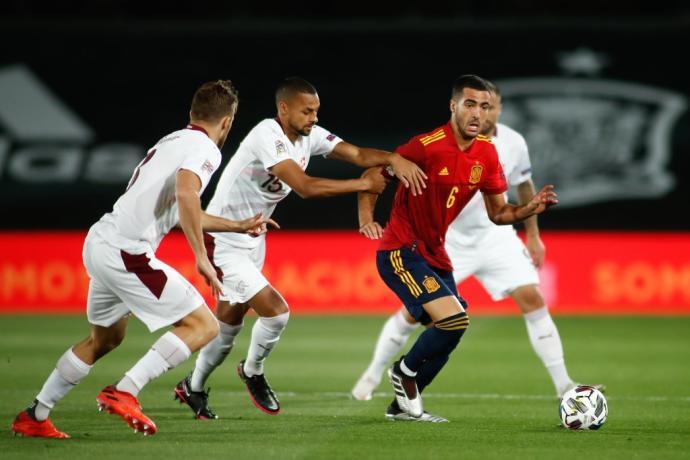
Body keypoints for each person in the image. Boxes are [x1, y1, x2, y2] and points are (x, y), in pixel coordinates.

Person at [11, 80, 274, 438]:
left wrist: (237, 225)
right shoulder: (207, 149)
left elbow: (185, 208)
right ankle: (125, 390)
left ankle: (36, 414)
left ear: (192, 113)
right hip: (127, 251)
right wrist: (201, 257)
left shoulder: (173, 140)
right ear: (227, 121)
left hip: (101, 240)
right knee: (204, 326)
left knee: (104, 340)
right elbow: (186, 194)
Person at [173, 76, 428, 420]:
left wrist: (393, 158)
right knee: (276, 312)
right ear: (283, 108)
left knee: (228, 324)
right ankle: (252, 370)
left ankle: (194, 387)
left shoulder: (310, 137)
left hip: (253, 239)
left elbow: (356, 153)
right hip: (222, 238)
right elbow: (305, 187)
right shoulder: (268, 135)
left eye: (316, 111)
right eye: (307, 111)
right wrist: (362, 184)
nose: (314, 118)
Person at [352, 81, 601, 416]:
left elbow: (499, 213)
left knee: (453, 330)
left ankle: (401, 407)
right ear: (453, 106)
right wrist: (367, 218)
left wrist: (529, 211)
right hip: (402, 249)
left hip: (437, 253)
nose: (478, 113)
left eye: (484, 107)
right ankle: (401, 372)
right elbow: (373, 174)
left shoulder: (487, 152)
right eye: (470, 104)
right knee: (450, 320)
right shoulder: (427, 146)